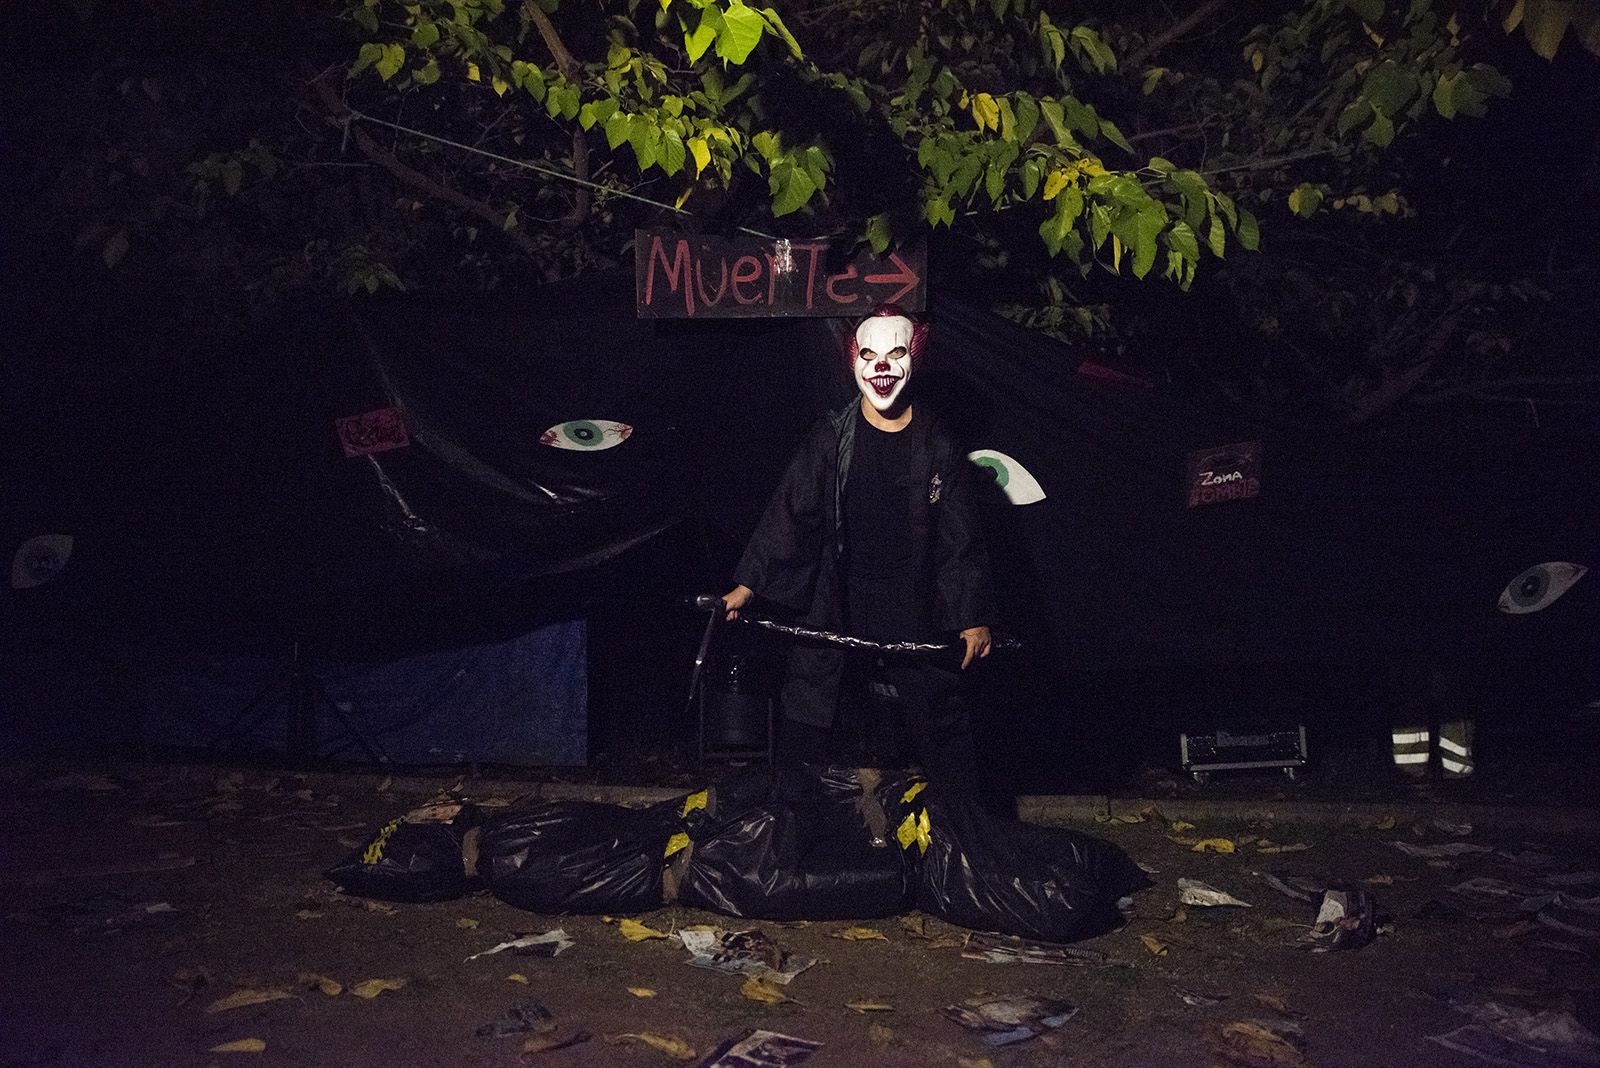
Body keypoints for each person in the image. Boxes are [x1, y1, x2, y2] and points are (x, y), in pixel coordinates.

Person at [721, 304, 997, 788]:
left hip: (913, 597)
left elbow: (961, 539)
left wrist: (971, 616)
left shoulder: (938, 444)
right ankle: (795, 823)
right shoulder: (831, 436)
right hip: (839, 592)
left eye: (895, 353)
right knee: (808, 704)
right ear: (852, 360)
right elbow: (791, 510)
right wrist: (746, 586)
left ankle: (967, 836)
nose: (882, 366)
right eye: (869, 353)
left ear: (915, 356)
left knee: (939, 711)